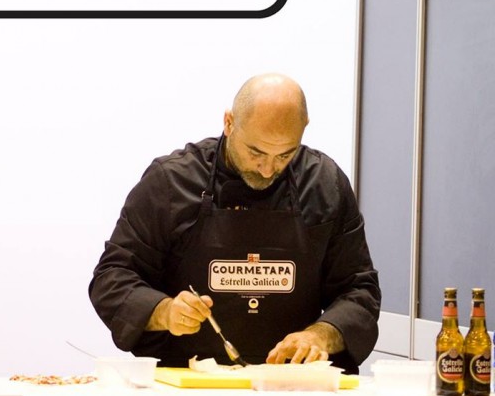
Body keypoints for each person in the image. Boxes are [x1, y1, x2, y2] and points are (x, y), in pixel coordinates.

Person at [89, 73, 381, 373]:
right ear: (229, 123)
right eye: (256, 152)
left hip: (292, 382)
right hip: (187, 381)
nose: (268, 170)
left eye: (285, 155)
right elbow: (112, 277)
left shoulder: (324, 185)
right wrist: (164, 311)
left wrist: (320, 336)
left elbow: (359, 292)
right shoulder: (171, 182)